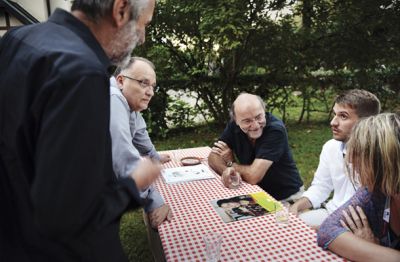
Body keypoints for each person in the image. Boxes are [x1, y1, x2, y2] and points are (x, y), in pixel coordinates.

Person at [0, 0, 158, 261]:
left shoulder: (17, 37)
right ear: (120, 10)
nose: (142, 38)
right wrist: (133, 184)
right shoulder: (82, 73)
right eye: (144, 25)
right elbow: (68, 216)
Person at [289, 89, 381, 228]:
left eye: (343, 116)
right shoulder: (331, 147)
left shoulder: (380, 157)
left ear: (366, 122)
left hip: (361, 225)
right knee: (287, 226)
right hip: (330, 212)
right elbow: (321, 187)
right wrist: (297, 206)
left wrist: (323, 229)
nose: (333, 122)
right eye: (334, 114)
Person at [317, 113, 400, 261]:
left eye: (358, 152)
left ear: (383, 160)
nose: (349, 159)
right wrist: (378, 251)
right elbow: (327, 230)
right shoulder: (377, 189)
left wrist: (376, 249)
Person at [109, 57, 172, 228]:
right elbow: (125, 163)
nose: (151, 92)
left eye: (153, 86)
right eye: (144, 83)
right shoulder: (113, 99)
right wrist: (155, 201)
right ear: (121, 81)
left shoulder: (128, 104)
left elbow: (140, 135)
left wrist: (155, 157)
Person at [208, 93, 303, 201]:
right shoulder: (233, 126)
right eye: (247, 121)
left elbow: (253, 177)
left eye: (259, 117)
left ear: (264, 110)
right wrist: (227, 171)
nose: (256, 126)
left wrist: (231, 163)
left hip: (287, 198)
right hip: (256, 194)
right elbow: (213, 155)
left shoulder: (275, 130)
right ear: (236, 120)